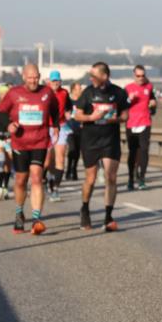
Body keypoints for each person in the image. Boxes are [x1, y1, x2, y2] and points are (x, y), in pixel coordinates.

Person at [0, 64, 60, 235]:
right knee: (20, 180)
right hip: (20, 143)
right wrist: (8, 125)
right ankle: (19, 213)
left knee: (37, 177)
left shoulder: (47, 92)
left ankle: (36, 219)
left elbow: (55, 109)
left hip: (40, 141)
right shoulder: (14, 93)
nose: (33, 81)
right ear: (23, 77)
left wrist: (55, 125)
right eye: (30, 77)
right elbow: (0, 112)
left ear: (39, 76)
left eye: (36, 77)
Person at [73, 62, 129, 232]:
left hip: (110, 140)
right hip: (90, 140)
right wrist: (92, 118)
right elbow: (77, 115)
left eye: (94, 76)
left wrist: (115, 119)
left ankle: (108, 217)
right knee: (90, 179)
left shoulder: (118, 92)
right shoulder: (88, 92)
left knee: (111, 177)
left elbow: (125, 115)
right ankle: (85, 208)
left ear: (105, 76)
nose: (91, 78)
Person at [124, 64, 157, 191]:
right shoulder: (128, 88)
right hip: (131, 124)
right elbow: (122, 106)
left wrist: (153, 104)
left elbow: (153, 105)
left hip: (145, 122)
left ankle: (142, 179)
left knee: (144, 150)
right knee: (133, 152)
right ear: (134, 75)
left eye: (143, 75)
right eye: (138, 76)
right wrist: (129, 100)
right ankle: (131, 179)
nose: (140, 78)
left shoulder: (149, 87)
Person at [44, 71, 74, 203]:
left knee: (60, 158)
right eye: (53, 81)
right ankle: (46, 180)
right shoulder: (44, 92)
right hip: (46, 128)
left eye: (58, 81)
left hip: (61, 127)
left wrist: (68, 112)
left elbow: (69, 106)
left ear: (60, 81)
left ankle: (56, 189)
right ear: (49, 82)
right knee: (47, 161)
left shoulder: (64, 93)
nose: (56, 83)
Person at [65, 82, 84, 182]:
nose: (80, 90)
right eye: (78, 89)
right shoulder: (68, 100)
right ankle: (69, 169)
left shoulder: (83, 101)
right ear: (73, 90)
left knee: (77, 150)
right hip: (69, 128)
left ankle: (74, 169)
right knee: (72, 149)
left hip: (80, 129)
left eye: (80, 88)